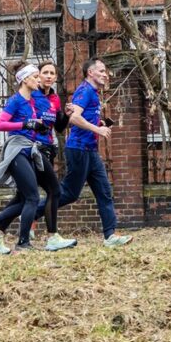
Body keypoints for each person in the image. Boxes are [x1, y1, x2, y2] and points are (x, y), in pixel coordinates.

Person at [0, 62, 75, 254]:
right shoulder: (16, 100)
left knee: (26, 197)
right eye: (36, 76)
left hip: (30, 150)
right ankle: (20, 241)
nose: (39, 80)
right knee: (31, 197)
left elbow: (52, 124)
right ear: (24, 79)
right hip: (17, 150)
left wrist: (40, 124)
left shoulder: (32, 102)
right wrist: (26, 124)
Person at [45, 58, 133, 247]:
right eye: (101, 71)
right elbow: (74, 118)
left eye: (106, 71)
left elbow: (83, 117)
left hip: (90, 151)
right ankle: (32, 213)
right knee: (69, 194)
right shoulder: (85, 91)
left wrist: (100, 123)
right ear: (90, 73)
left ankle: (110, 236)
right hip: (78, 149)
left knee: (104, 192)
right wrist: (98, 130)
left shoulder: (93, 92)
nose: (105, 74)